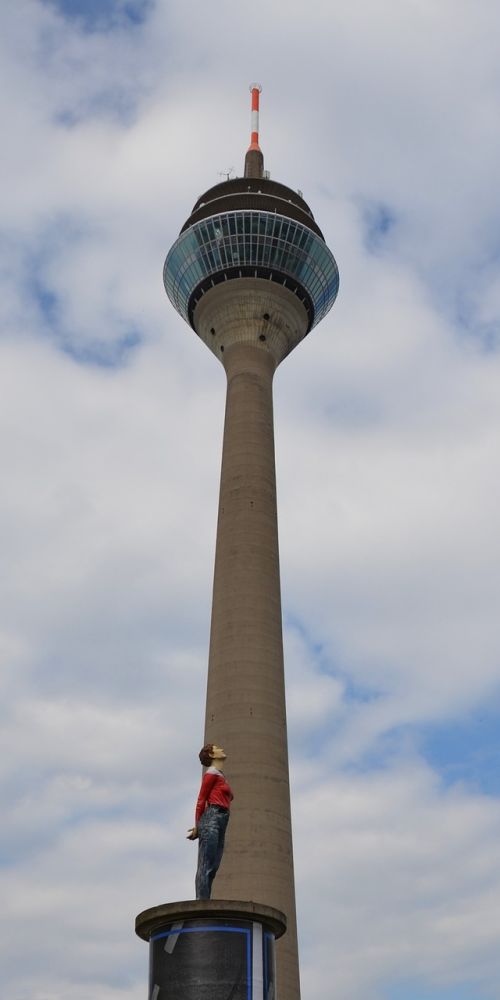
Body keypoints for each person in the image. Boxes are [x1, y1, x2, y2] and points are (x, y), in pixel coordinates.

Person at [187, 743, 233, 900]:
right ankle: (201, 903)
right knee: (206, 864)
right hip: (212, 817)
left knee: (214, 865)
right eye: (217, 748)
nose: (222, 749)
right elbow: (201, 799)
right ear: (213, 755)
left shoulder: (220, 775)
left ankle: (205, 899)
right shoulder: (211, 774)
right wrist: (198, 826)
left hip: (222, 818)